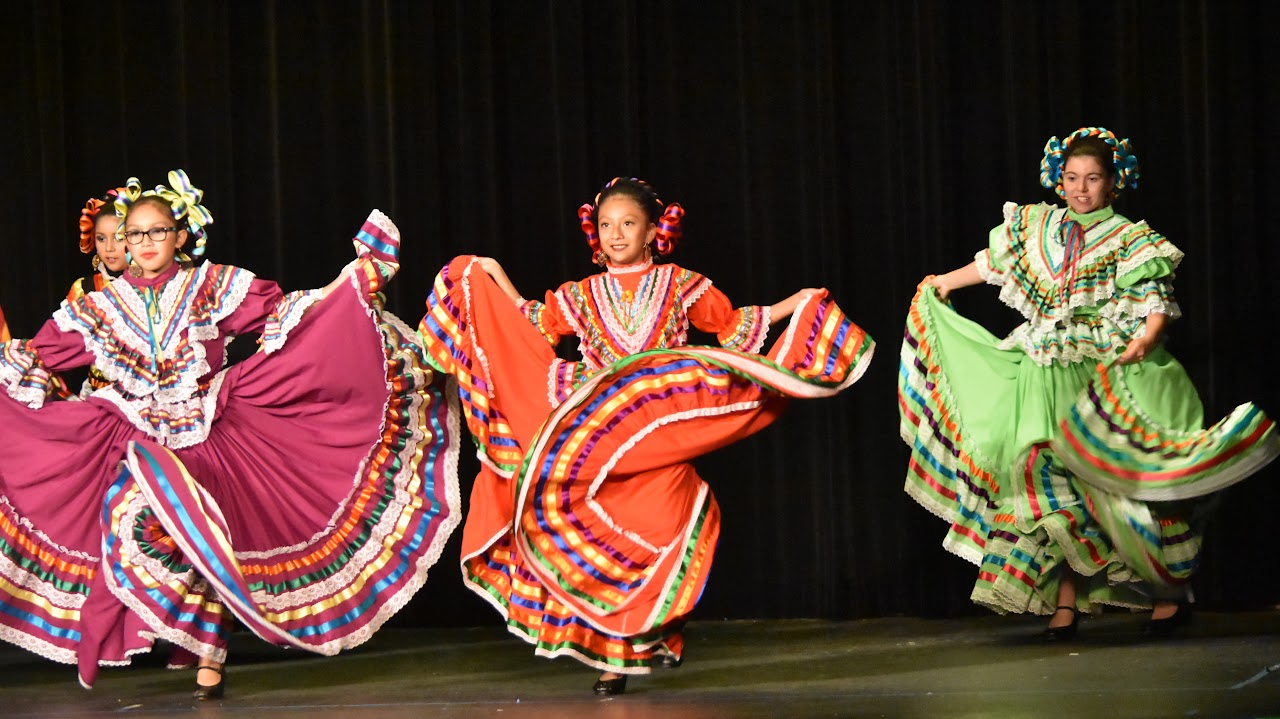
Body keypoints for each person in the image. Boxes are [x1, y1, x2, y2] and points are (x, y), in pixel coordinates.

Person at [0, 171, 461, 698]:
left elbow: (292, 314)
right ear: (123, 243)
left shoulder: (211, 286)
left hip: (207, 430)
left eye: (157, 232)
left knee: (207, 536)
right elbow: (34, 357)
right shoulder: (96, 309)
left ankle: (209, 657)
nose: (145, 244)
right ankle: (118, 633)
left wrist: (351, 281)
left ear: (179, 236)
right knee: (135, 521)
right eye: (135, 235)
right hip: (131, 437)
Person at [418, 177, 874, 694]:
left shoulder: (682, 285)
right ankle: (612, 660)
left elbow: (732, 325)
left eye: (628, 224)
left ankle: (657, 628)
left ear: (653, 231)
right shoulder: (580, 295)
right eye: (607, 225)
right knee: (601, 540)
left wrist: (799, 301)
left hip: (661, 427)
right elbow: (529, 325)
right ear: (596, 234)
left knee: (667, 524)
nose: (616, 235)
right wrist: (489, 275)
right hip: (599, 432)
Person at [898, 127, 1278, 639]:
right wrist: (942, 282)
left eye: (1093, 178)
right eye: (1072, 178)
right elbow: (991, 266)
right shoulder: (1036, 227)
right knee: (1039, 477)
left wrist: (1146, 338)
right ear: (1059, 181)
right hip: (1042, 371)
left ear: (1112, 183)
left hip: (1102, 371)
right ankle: (1065, 603)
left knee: (1114, 480)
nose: (1081, 189)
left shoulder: (1129, 238)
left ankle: (1166, 593)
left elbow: (1154, 301)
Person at [64, 188, 129, 395]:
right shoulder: (84, 288)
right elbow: (61, 344)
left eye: (118, 238)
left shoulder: (156, 287)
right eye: (101, 238)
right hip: (96, 394)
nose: (109, 247)